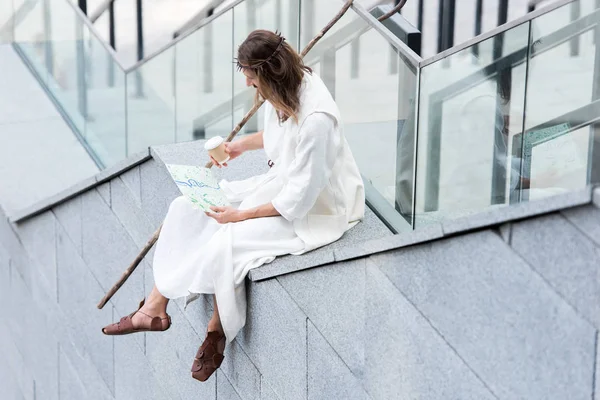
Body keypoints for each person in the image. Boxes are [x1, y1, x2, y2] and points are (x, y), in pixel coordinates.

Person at [101, 29, 365, 382]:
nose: (247, 85)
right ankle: (154, 307)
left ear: (269, 75)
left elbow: (299, 199)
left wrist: (239, 216)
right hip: (281, 186)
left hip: (314, 210)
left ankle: (218, 330)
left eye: (251, 78)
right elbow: (280, 138)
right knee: (186, 207)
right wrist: (240, 146)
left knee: (228, 241)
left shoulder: (318, 119)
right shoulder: (289, 88)